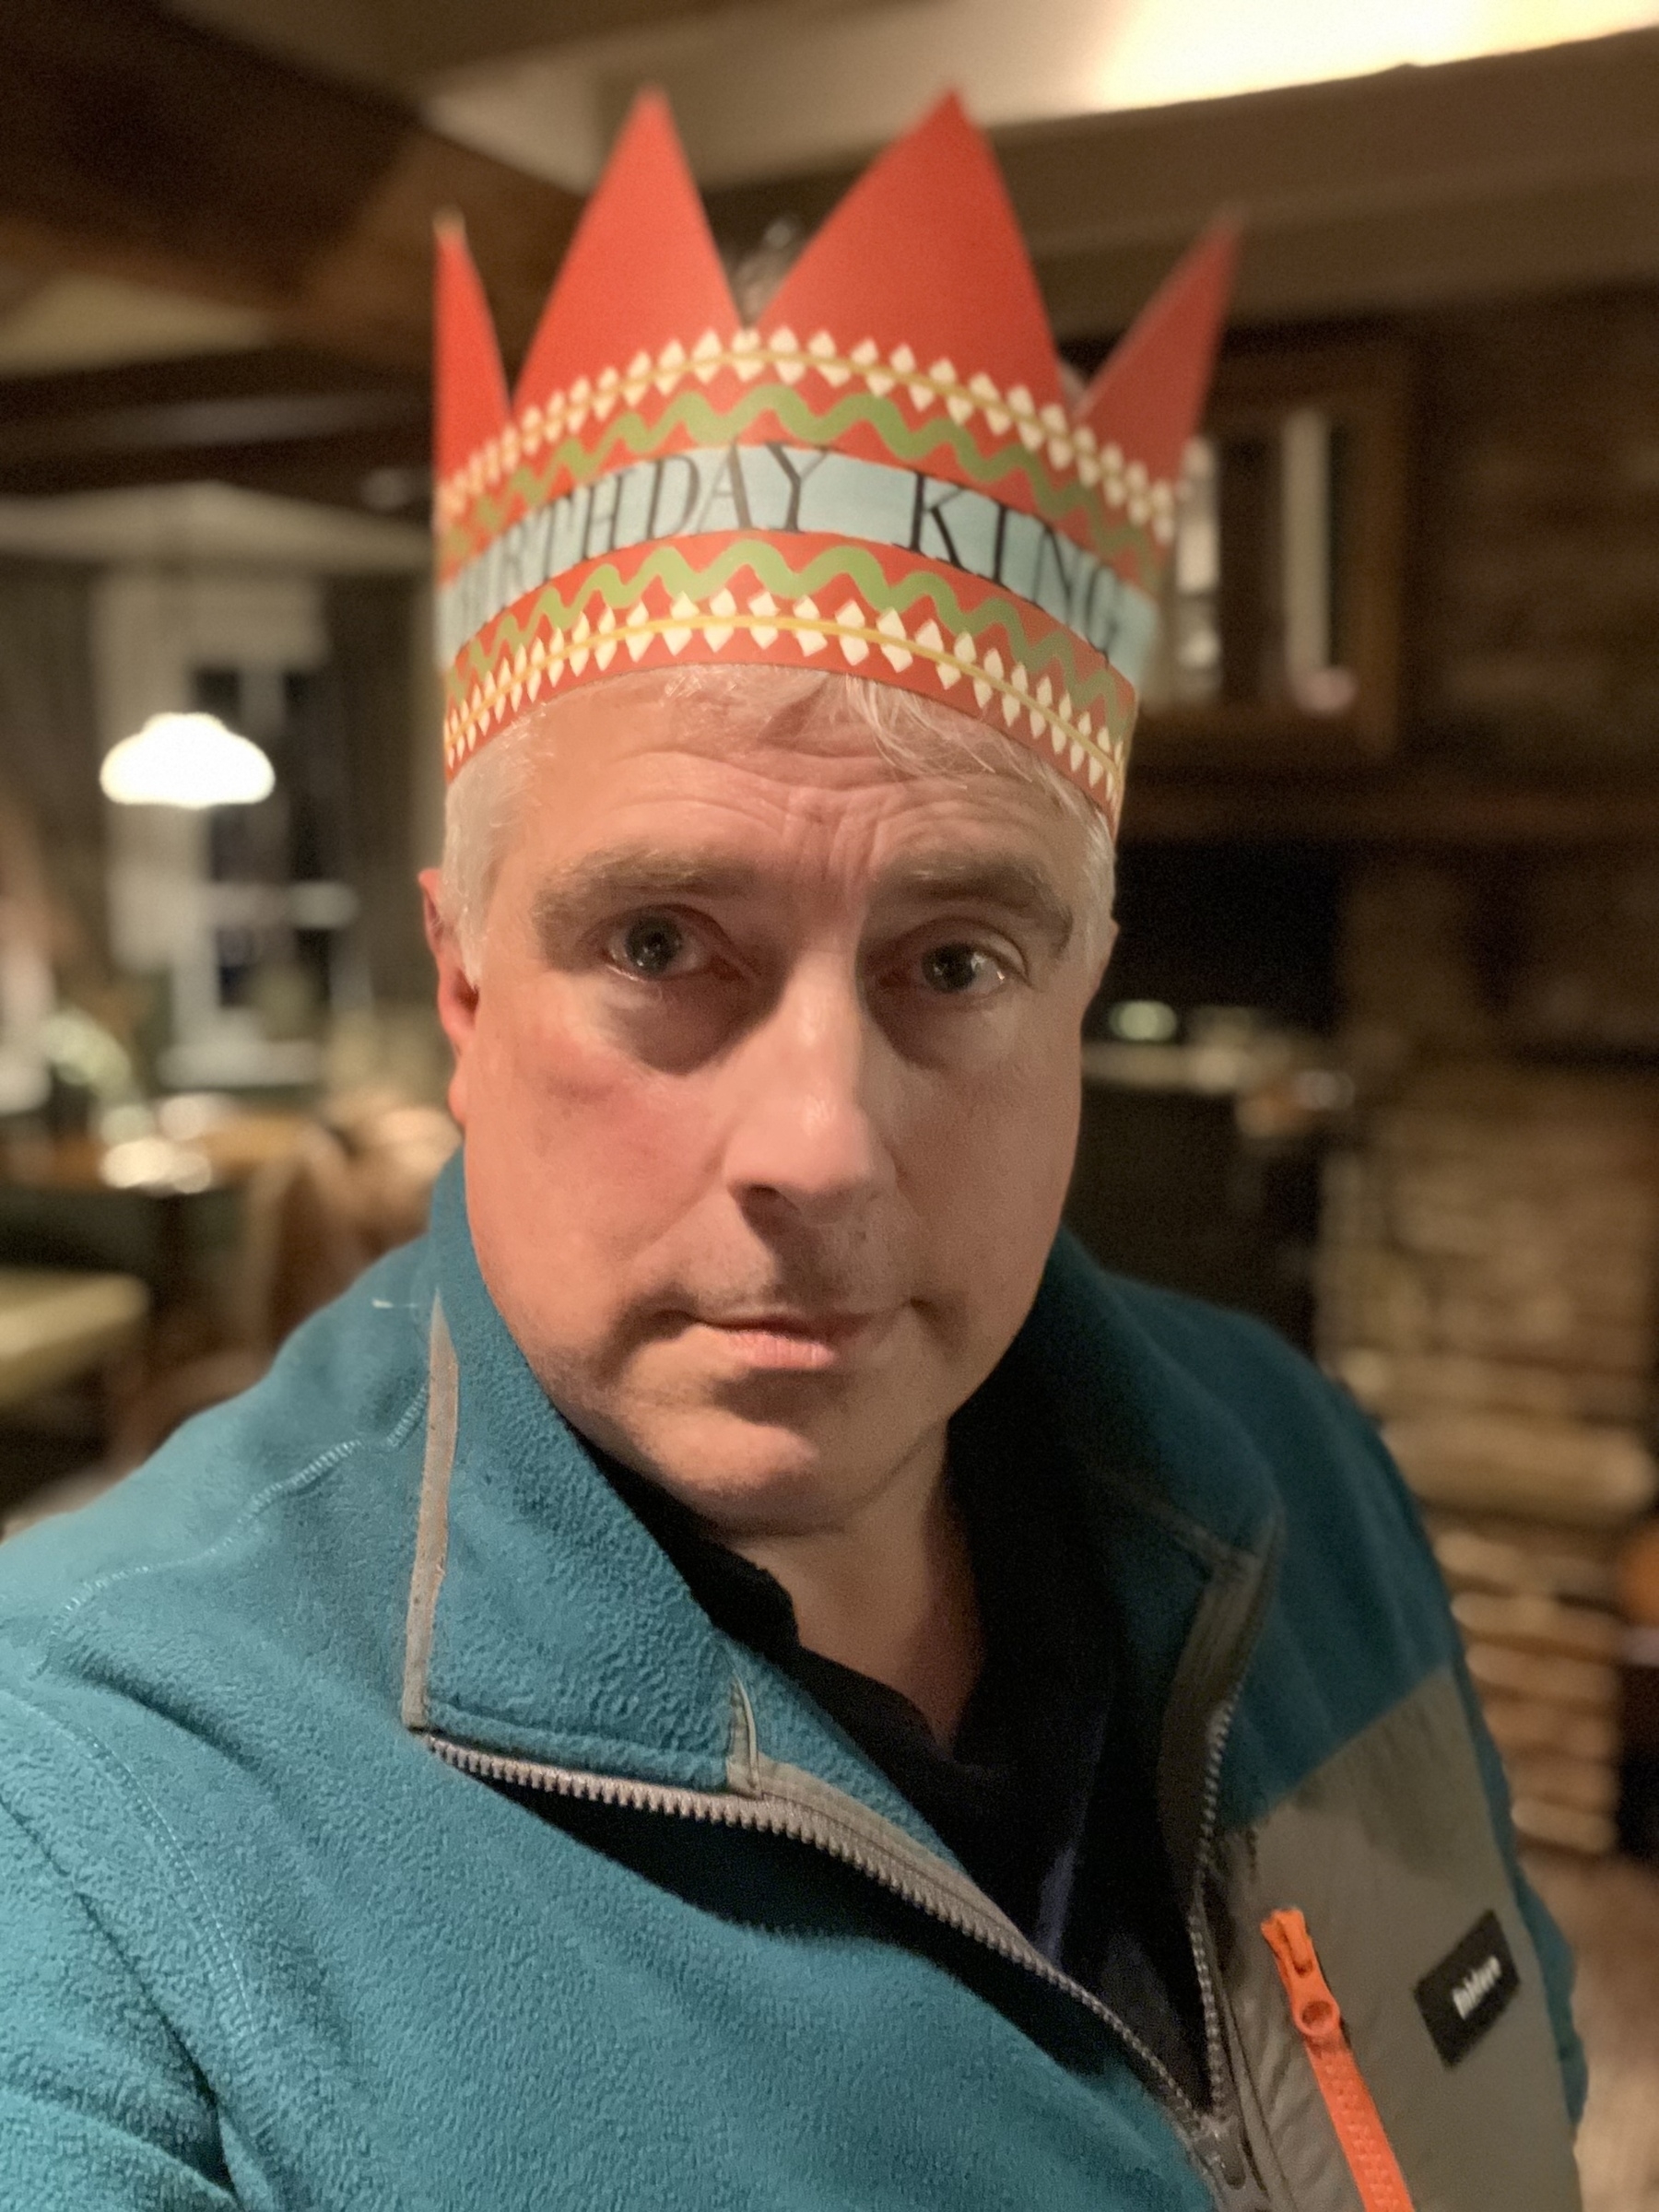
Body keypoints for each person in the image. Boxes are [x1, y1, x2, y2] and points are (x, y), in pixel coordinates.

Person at [0, 94, 1583, 2212]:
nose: (821, 1150)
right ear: (463, 988)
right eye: (662, 944)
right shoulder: (90, 1803)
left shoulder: (1302, 1471)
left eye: (956, 961)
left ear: (1087, 984)